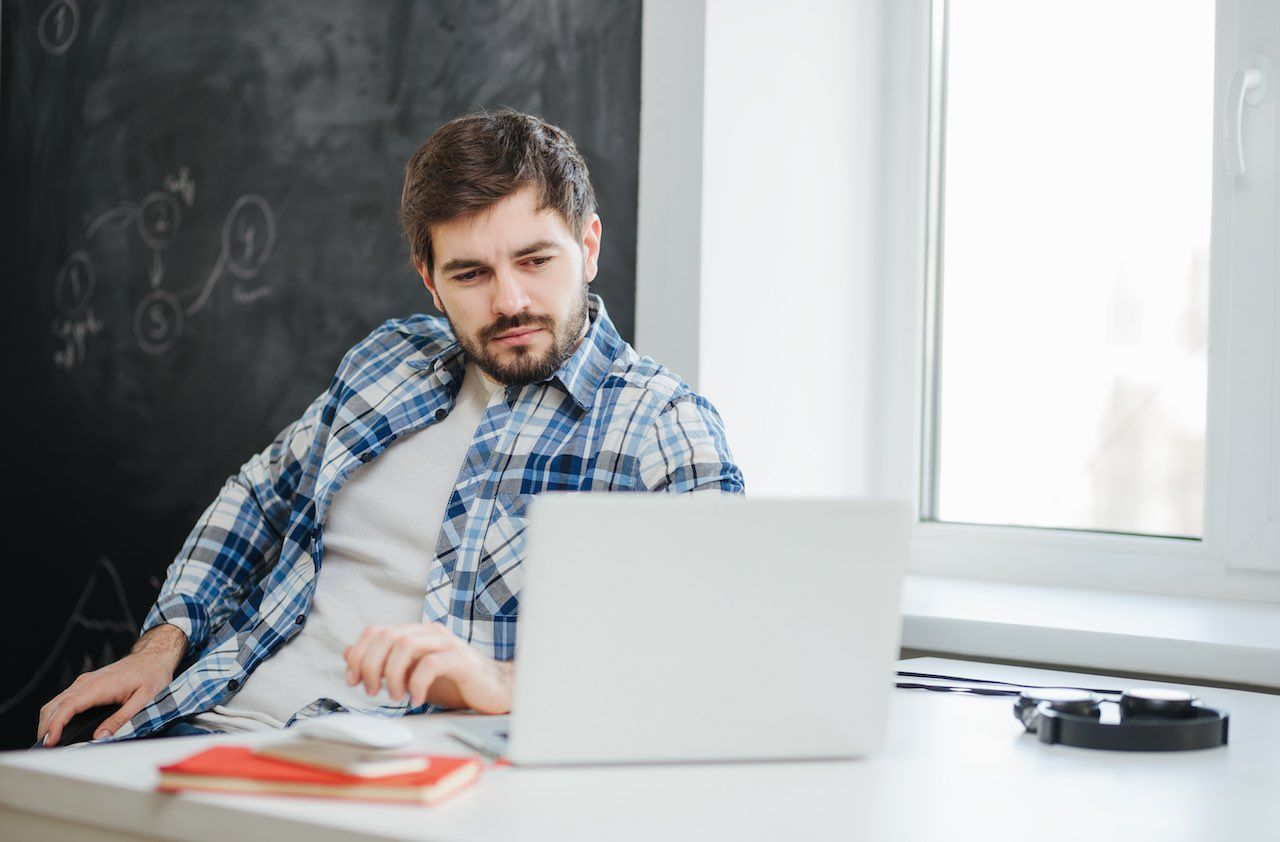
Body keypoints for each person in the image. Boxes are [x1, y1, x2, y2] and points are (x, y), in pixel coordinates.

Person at [36, 110, 743, 748]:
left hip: (391, 772)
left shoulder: (662, 426)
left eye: (535, 260)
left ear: (588, 246)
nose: (510, 300)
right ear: (430, 282)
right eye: (470, 274)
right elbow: (258, 495)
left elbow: (716, 652)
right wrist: (160, 648)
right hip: (202, 722)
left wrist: (505, 684)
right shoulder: (387, 362)